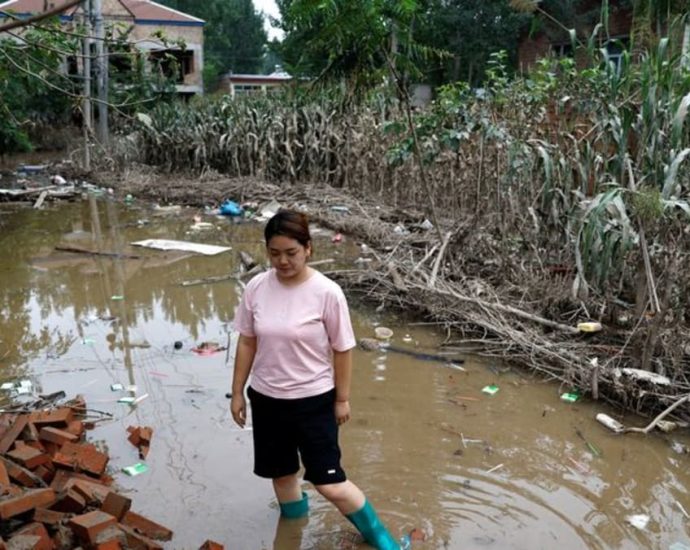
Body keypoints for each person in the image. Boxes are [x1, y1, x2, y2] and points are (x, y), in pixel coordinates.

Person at [230, 209, 400, 550]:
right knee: (280, 474)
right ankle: (292, 532)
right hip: (266, 398)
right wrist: (237, 393)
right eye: (274, 253)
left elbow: (343, 348)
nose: (282, 261)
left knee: (329, 482)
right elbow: (248, 340)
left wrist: (342, 398)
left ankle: (385, 541)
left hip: (314, 401)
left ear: (308, 248)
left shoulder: (327, 292)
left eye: (291, 253)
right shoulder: (257, 288)